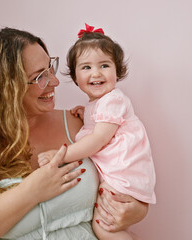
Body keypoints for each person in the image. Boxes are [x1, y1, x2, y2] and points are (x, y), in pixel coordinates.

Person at [0, 27, 148, 240]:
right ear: (6, 89)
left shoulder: (81, 124)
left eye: (50, 68)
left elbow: (128, 167)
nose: (54, 82)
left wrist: (137, 209)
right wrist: (31, 191)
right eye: (39, 77)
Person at [37, 24, 156, 240]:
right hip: (121, 174)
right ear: (74, 77)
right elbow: (101, 126)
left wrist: (61, 154)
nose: (96, 73)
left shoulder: (114, 100)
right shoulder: (99, 104)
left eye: (104, 65)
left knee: (104, 227)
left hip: (123, 176)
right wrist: (87, 115)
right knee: (109, 225)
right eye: (86, 68)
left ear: (117, 71)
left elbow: (98, 140)